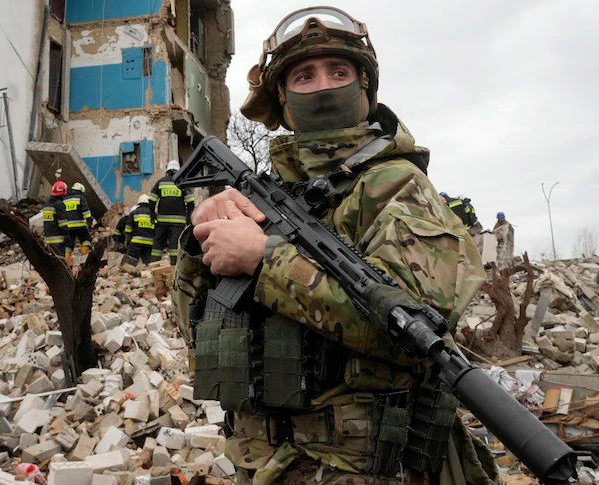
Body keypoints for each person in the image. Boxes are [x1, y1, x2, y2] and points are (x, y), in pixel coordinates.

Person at [172, 7, 497, 485]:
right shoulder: (261, 197)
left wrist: (265, 262)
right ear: (280, 98)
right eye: (304, 75)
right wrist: (201, 248)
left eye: (339, 71)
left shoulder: (395, 186)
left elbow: (417, 333)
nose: (323, 86)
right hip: (262, 465)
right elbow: (195, 334)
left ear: (365, 88)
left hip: (362, 468)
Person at [149, 160, 195, 265]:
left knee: (158, 242)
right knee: (175, 244)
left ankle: (153, 264)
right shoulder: (183, 183)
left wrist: (152, 214)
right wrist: (189, 217)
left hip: (162, 219)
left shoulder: (161, 182)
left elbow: (152, 199)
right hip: (179, 220)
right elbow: (190, 202)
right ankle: (175, 265)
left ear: (167, 170)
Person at [63, 182, 93, 265]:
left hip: (67, 226)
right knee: (85, 240)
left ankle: (66, 262)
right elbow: (85, 211)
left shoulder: (65, 199)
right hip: (79, 225)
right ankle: (85, 258)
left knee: (68, 244)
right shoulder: (80, 198)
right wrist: (89, 220)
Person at [124, 195, 156, 265]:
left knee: (128, 264)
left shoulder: (134, 213)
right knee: (150, 264)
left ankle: (126, 274)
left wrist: (127, 240)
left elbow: (128, 228)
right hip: (149, 243)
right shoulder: (154, 215)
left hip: (136, 242)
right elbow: (157, 230)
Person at [43, 182, 69, 256]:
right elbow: (62, 223)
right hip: (58, 240)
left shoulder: (47, 205)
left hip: (48, 240)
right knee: (60, 262)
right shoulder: (59, 204)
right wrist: (67, 236)